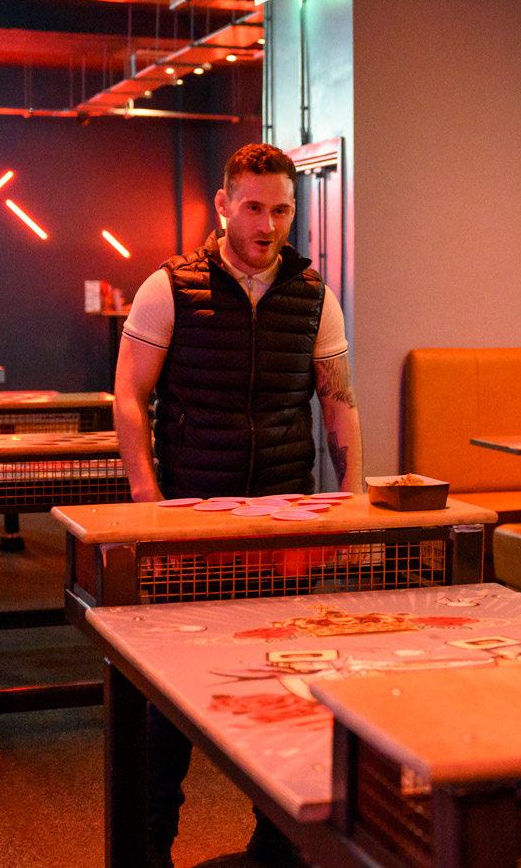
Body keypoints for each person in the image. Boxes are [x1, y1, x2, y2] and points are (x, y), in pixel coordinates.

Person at [114, 142, 365, 868]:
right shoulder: (170, 287)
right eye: (254, 206)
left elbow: (339, 403)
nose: (268, 222)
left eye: (281, 209)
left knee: (285, 686)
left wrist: (348, 500)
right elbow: (129, 396)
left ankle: (278, 844)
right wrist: (146, 500)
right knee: (168, 698)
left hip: (284, 524)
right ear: (224, 205)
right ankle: (149, 846)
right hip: (190, 524)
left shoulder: (314, 294)